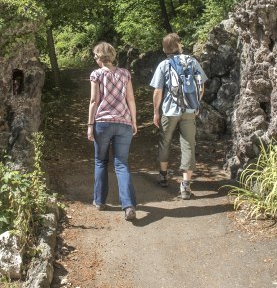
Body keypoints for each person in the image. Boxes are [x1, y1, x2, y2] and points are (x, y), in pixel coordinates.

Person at [150, 33, 207, 200]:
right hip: (189, 110)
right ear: (179, 45)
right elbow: (201, 86)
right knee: (189, 144)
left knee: (165, 141)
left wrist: (156, 112)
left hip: (169, 110)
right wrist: (194, 102)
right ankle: (186, 185)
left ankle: (163, 176)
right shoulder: (192, 61)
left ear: (165, 48)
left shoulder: (164, 65)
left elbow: (158, 91)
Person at [87, 42, 138, 221]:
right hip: (123, 123)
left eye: (95, 55)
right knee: (122, 164)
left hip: (103, 123)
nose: (94, 58)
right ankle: (129, 205)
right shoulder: (125, 74)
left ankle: (100, 201)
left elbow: (94, 101)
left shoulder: (97, 75)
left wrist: (89, 125)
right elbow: (131, 99)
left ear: (101, 56)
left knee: (101, 161)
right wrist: (134, 121)